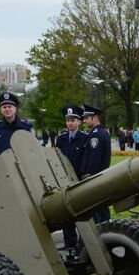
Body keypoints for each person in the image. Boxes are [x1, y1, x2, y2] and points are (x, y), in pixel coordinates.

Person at [56, 104, 88, 249]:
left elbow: (86, 159)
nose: (70, 123)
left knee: (81, 210)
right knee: (65, 212)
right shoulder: (61, 139)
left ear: (79, 122)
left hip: (78, 178)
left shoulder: (85, 138)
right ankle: (70, 242)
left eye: (73, 120)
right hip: (64, 179)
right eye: (68, 120)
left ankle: (84, 243)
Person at [79, 104, 112, 223]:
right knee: (102, 210)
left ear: (95, 118)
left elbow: (94, 160)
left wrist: (89, 179)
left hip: (95, 179)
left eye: (87, 118)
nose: (84, 120)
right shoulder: (102, 132)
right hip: (102, 177)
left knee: (97, 213)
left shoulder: (96, 135)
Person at [0, 92, 33, 157]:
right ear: (1, 109)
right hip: (3, 165)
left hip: (23, 165)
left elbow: (34, 147)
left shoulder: (26, 127)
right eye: (4, 107)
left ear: (15, 108)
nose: (7, 109)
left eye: (9, 107)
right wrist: (0, 158)